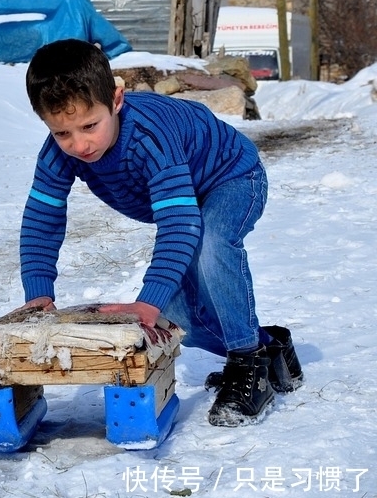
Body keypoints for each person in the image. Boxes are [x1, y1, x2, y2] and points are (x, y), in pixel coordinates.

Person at [16, 39, 303, 427]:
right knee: (172, 319)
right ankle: (271, 349)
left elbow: (179, 225)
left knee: (210, 246)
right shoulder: (58, 153)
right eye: (63, 133)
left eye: (89, 126)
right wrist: (38, 295)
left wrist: (145, 301)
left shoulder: (149, 137)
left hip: (232, 177)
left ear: (116, 99)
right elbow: (42, 218)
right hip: (185, 197)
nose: (78, 144)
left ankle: (248, 364)